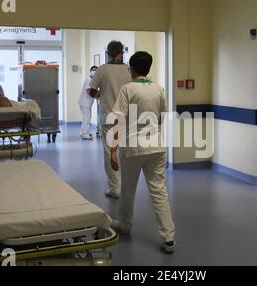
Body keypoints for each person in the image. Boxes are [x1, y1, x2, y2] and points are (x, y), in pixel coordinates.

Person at [109, 51, 176, 254]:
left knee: (128, 190)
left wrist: (112, 150)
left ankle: (125, 225)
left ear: (133, 69)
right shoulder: (159, 89)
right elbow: (162, 117)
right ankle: (169, 238)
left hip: (133, 148)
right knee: (159, 191)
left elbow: (118, 120)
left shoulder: (127, 89)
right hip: (157, 147)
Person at [89, 41, 132, 199]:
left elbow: (92, 91)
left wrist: (101, 94)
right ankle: (126, 186)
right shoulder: (129, 69)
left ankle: (115, 187)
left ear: (108, 53)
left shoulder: (102, 69)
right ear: (122, 52)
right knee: (124, 151)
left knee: (109, 152)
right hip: (125, 116)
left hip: (108, 115)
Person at [78, 66, 98, 140]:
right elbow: (89, 91)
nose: (94, 71)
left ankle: (83, 132)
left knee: (85, 117)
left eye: (96, 70)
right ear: (90, 71)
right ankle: (85, 134)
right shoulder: (89, 80)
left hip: (84, 102)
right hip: (85, 102)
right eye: (93, 70)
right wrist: (98, 96)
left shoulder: (92, 80)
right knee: (87, 117)